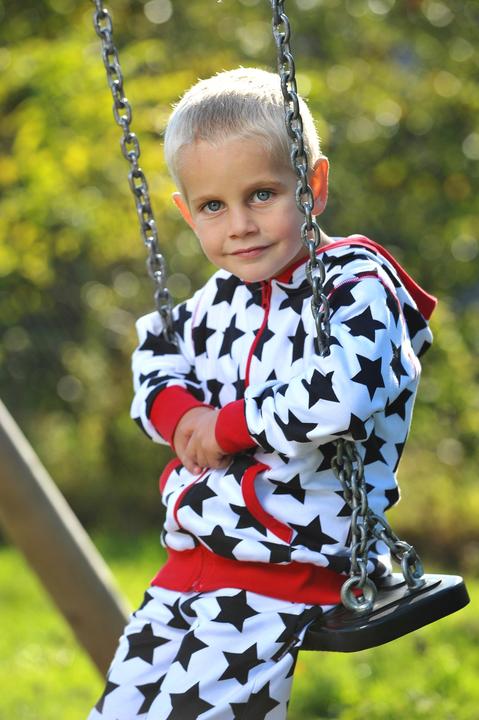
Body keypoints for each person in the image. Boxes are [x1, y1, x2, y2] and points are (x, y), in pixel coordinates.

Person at [89, 67, 437, 720]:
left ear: (313, 185)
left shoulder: (355, 285)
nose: (240, 225)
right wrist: (183, 416)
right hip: (194, 562)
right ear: (187, 213)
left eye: (262, 194)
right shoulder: (218, 298)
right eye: (213, 207)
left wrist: (225, 427)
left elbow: (344, 392)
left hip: (290, 563)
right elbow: (156, 354)